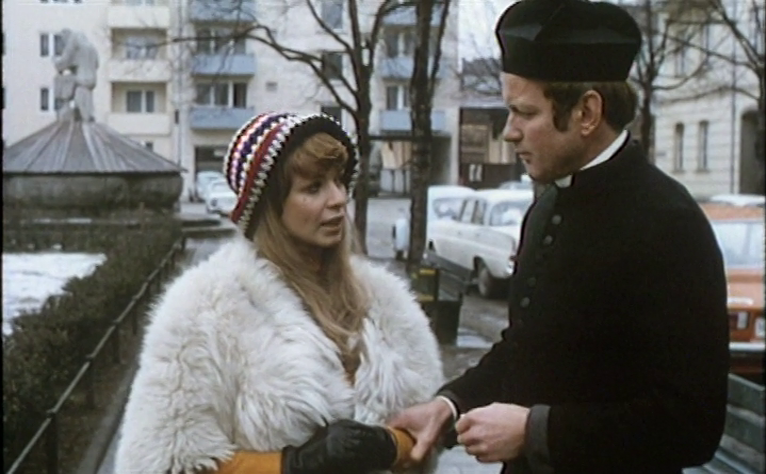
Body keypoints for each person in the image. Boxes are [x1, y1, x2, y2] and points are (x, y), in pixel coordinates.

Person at [389, 0, 730, 473]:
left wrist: (536, 431)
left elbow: (691, 425)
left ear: (586, 112)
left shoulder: (669, 223)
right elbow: (525, 349)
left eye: (524, 112)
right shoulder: (547, 206)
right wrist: (449, 406)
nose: (509, 133)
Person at [114, 112, 445, 474]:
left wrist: (389, 445)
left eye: (339, 180)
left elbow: (429, 430)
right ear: (269, 206)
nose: (338, 198)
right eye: (314, 187)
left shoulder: (387, 301)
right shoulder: (203, 307)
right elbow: (160, 460)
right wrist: (292, 465)